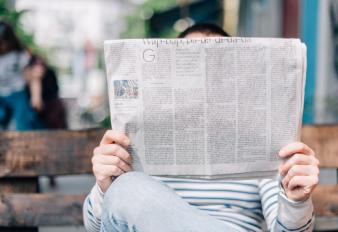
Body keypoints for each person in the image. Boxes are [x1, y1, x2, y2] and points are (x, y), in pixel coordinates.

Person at [83, 23, 319, 232]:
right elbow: (99, 227)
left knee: (128, 188)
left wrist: (296, 201)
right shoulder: (133, 143)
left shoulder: (262, 144)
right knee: (128, 188)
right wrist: (106, 188)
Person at [0, 21, 42, 130]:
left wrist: (36, 97)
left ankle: (24, 142)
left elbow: (32, 77)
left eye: (2, 43)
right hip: (2, 95)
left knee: (22, 121)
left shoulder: (19, 55)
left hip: (18, 94)